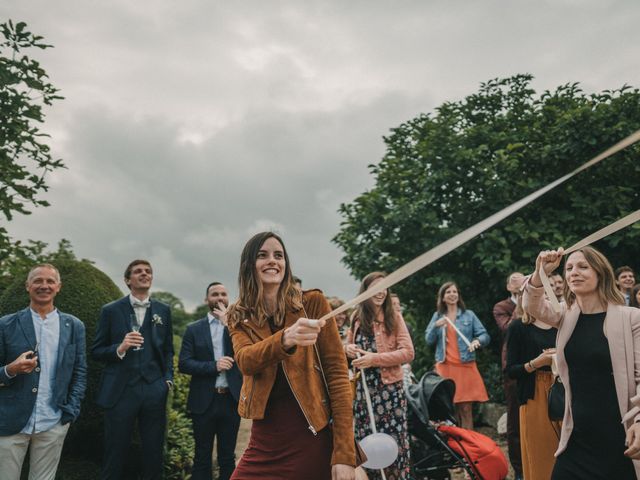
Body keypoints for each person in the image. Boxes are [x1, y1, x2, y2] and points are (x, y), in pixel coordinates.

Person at [226, 232, 356, 480]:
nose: (272, 261)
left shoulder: (313, 303)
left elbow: (338, 378)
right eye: (262, 255)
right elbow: (245, 360)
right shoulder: (239, 315)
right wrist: (285, 339)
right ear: (248, 265)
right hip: (265, 440)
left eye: (279, 255)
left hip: (312, 435)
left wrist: (344, 454)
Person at [524, 246, 640, 478]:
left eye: (583, 267)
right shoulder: (566, 316)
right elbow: (531, 306)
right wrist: (540, 272)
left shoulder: (631, 317)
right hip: (577, 437)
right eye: (569, 268)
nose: (574, 272)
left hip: (619, 439)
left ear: (601, 273)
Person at [0, 264, 87, 480]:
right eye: (38, 280)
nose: (44, 285)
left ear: (58, 287)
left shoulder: (74, 325)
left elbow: (80, 370)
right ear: (27, 286)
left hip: (53, 421)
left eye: (50, 281)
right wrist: (11, 369)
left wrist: (70, 411)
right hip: (10, 420)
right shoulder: (5, 324)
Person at [92, 259, 174, 480]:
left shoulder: (163, 311)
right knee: (115, 451)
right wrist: (120, 348)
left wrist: (167, 380)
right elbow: (96, 350)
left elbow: (168, 350)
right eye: (138, 271)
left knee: (154, 452)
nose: (144, 274)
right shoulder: (110, 311)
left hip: (154, 389)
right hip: (120, 391)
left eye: (148, 271)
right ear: (128, 280)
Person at [345, 272, 415, 480]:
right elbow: (349, 347)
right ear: (365, 291)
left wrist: (374, 359)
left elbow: (408, 352)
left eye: (385, 287)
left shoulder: (394, 317)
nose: (382, 291)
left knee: (394, 443)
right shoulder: (356, 319)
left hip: (389, 392)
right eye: (376, 287)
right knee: (366, 443)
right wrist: (347, 348)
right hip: (364, 392)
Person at [178, 282, 242, 480]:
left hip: (230, 400)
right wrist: (214, 366)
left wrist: (229, 325)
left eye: (223, 294)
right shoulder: (193, 329)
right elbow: (184, 364)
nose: (220, 297)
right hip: (203, 401)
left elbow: (247, 357)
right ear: (207, 299)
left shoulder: (238, 328)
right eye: (215, 294)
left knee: (227, 457)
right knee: (202, 456)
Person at [425, 281, 490, 430]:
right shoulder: (437, 316)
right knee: (449, 410)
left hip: (465, 366)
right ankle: (455, 449)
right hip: (445, 367)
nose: (452, 294)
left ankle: (469, 448)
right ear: (442, 297)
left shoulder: (469, 315)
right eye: (448, 292)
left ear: (458, 295)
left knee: (466, 409)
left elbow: (484, 335)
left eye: (455, 292)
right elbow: (428, 340)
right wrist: (436, 326)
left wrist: (477, 341)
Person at [506, 301, 559, 480]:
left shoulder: (561, 323)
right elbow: (511, 371)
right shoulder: (518, 327)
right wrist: (537, 362)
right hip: (535, 392)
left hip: (564, 388)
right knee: (541, 453)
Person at [492, 271, 525, 480]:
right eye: (513, 279)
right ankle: (520, 470)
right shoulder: (501, 307)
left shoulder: (538, 299)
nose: (518, 280)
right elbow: (507, 328)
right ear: (508, 287)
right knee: (515, 418)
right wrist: (522, 300)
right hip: (513, 366)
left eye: (522, 277)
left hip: (537, 362)